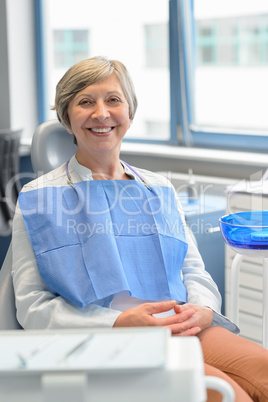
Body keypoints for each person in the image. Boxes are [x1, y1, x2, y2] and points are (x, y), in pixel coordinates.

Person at [12, 56, 268, 401]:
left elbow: (193, 269)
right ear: (67, 117)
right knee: (226, 393)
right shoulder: (38, 197)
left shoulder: (159, 189)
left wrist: (202, 308)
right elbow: (32, 305)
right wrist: (116, 323)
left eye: (113, 100)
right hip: (106, 339)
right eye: (85, 102)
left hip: (181, 325)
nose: (101, 113)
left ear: (129, 113)